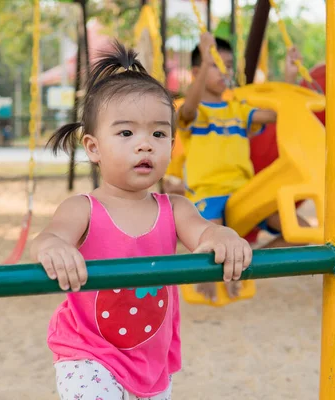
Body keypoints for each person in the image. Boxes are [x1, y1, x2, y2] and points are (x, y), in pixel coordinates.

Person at [29, 41, 253, 400]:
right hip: (88, 353)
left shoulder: (176, 209)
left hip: (150, 357)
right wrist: (54, 246)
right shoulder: (83, 208)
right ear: (93, 147)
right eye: (126, 133)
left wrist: (222, 235)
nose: (145, 144)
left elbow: (205, 232)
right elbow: (46, 238)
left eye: (159, 134)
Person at [176, 33, 307, 300]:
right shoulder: (193, 112)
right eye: (215, 64)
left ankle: (245, 261)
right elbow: (187, 111)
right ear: (197, 72)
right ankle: (213, 276)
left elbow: (278, 113)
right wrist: (203, 58)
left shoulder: (239, 109)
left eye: (228, 64)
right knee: (209, 248)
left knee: (299, 230)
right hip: (208, 194)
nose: (225, 70)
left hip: (244, 192)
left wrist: (290, 77)